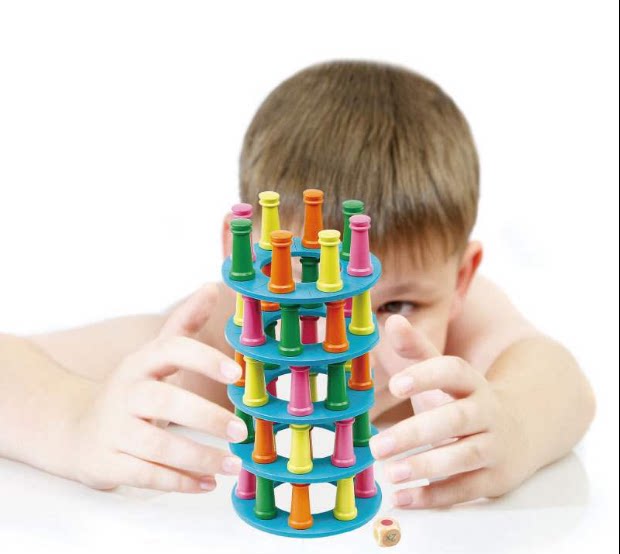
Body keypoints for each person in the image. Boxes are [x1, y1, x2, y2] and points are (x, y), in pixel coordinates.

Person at [0, 61, 595, 508]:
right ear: (243, 256)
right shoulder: (207, 349)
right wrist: (77, 422)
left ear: (462, 278)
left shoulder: (462, 326)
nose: (346, 342)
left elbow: (566, 385)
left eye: (396, 304)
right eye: (303, 299)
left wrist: (516, 423)